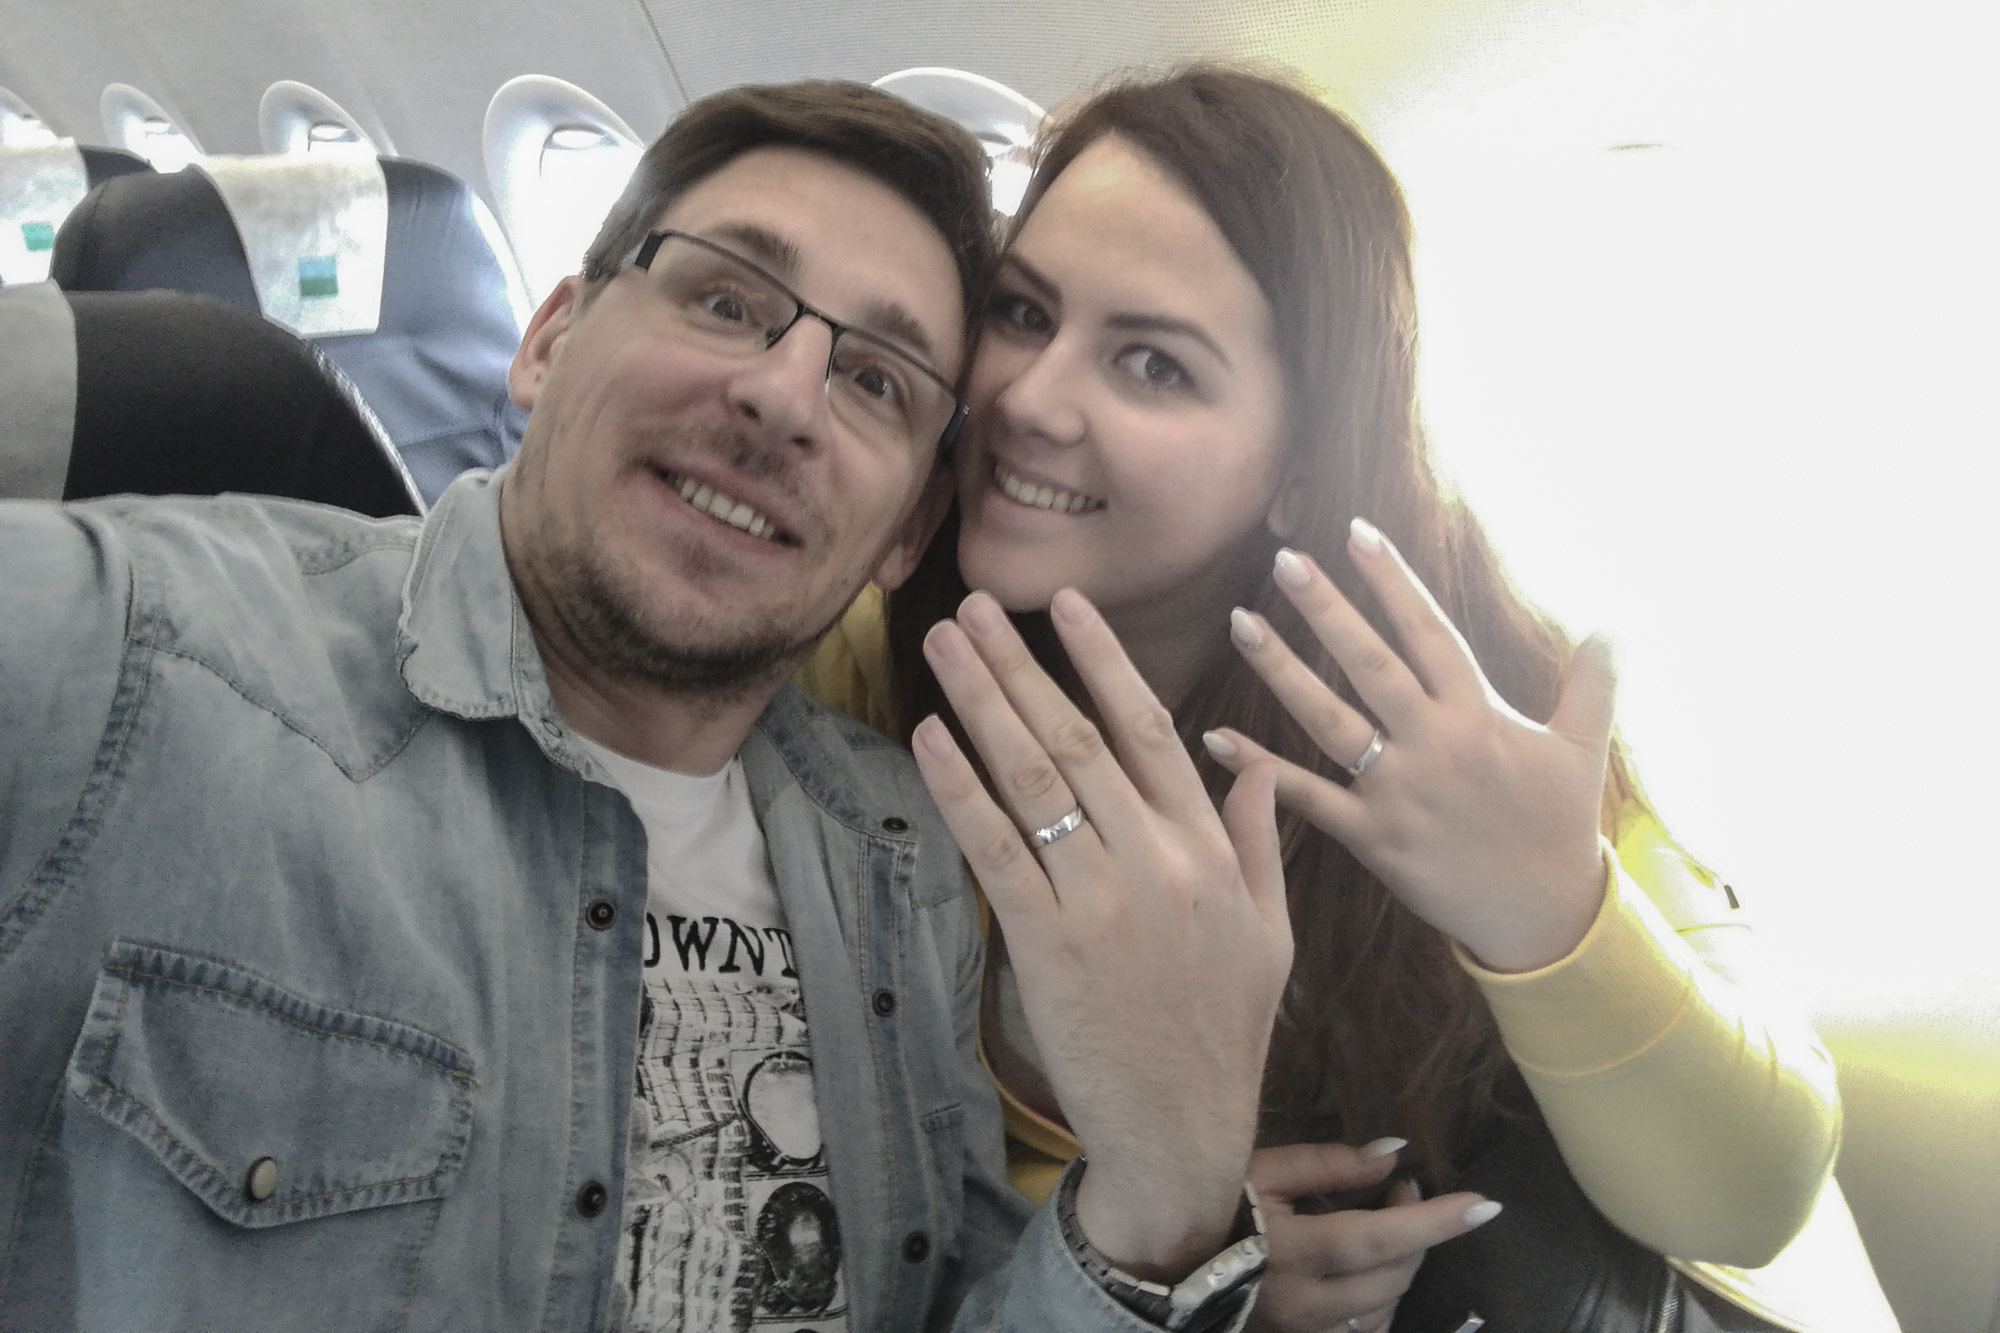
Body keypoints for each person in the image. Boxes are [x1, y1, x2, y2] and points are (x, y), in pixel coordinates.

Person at [0, 80, 1294, 1333]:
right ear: (550, 337)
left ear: (908, 531)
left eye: (876, 380)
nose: (783, 398)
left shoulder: (907, 859)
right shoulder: (129, 660)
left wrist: (1159, 1204)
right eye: (727, 301)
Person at [801, 67, 1900, 1332]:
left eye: (1152, 364)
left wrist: (1551, 914)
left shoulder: (1464, 698)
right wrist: (1191, 1253)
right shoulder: (854, 651)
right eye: (1021, 311)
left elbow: (1751, 1197)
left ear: (1301, 471)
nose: (1027, 401)